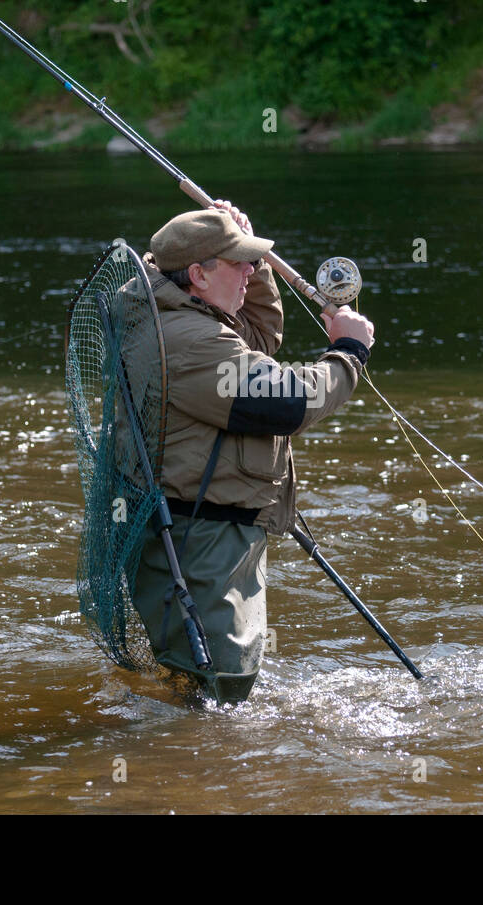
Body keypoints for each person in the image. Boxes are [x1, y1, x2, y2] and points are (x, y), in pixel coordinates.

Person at [130, 200, 375, 703]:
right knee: (220, 695)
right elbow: (285, 402)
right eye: (239, 262)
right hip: (202, 549)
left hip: (196, 535)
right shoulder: (192, 342)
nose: (249, 271)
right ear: (197, 274)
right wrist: (348, 355)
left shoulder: (172, 309)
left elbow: (259, 333)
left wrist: (250, 255)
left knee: (200, 699)